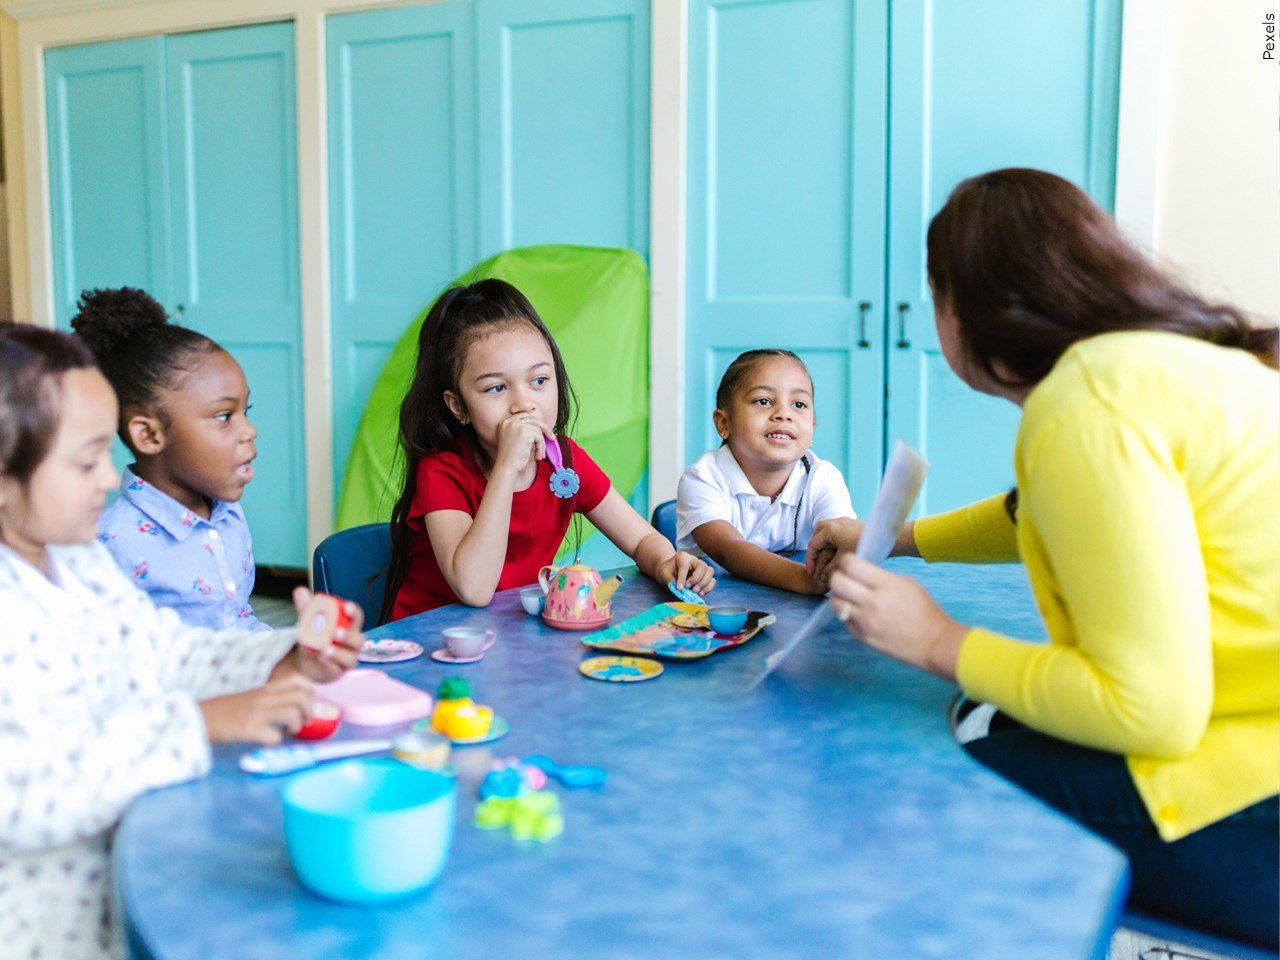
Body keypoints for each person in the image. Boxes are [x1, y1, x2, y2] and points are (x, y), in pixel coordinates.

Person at [808, 168, 1278, 948]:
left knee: (913, 784)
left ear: (962, 307)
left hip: (1250, 800)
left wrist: (935, 641)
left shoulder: (1082, 405)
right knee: (998, 726)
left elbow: (1150, 709)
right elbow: (1045, 512)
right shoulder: (1163, 367)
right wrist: (898, 537)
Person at [0, 323, 363, 960]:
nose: (112, 481)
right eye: (86, 461)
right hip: (47, 933)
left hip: (134, 882)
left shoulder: (76, 559)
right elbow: (25, 793)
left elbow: (168, 653)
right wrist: (197, 726)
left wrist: (283, 656)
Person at [384, 279, 715, 621]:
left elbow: (641, 539)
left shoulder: (565, 462)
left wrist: (668, 563)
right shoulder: (442, 472)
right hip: (429, 644)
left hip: (507, 639)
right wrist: (506, 469)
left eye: (539, 381)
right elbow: (474, 589)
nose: (524, 403)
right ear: (458, 407)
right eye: (496, 388)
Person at [71, 287, 266, 631]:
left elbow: (237, 619)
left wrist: (291, 651)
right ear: (149, 436)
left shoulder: (228, 516)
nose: (248, 430)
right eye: (224, 416)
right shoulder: (113, 543)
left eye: (245, 411)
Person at [677, 349, 854, 593]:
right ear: (723, 423)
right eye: (763, 401)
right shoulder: (703, 478)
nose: (784, 414)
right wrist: (805, 580)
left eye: (799, 404)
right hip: (717, 612)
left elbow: (839, 537)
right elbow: (728, 549)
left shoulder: (824, 478)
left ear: (811, 427)